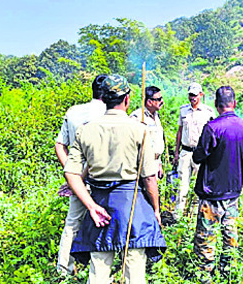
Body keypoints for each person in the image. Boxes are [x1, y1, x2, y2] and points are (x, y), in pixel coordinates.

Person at [64, 75, 166, 284]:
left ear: (103, 99)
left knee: (99, 266)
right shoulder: (140, 130)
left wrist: (90, 206)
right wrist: (155, 209)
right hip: (131, 205)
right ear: (127, 99)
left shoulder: (86, 129)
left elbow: (71, 172)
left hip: (100, 204)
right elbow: (149, 177)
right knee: (134, 269)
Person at [192, 86, 243, 283]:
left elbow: (198, 156)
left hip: (212, 192)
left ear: (217, 105)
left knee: (206, 236)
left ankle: (204, 276)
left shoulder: (212, 128)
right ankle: (228, 272)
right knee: (230, 234)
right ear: (234, 103)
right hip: (233, 191)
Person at [54, 74, 108, 276]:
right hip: (103, 177)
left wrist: (72, 174)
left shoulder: (74, 111)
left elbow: (60, 145)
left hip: (77, 177)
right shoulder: (111, 113)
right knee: (103, 220)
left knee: (72, 223)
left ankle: (63, 270)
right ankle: (98, 272)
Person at [172, 83, 217, 219]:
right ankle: (177, 216)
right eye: (190, 95)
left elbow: (213, 133)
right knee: (182, 184)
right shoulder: (183, 111)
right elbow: (180, 132)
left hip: (201, 153)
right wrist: (176, 152)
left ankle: (195, 214)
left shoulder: (208, 112)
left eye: (195, 95)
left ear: (201, 95)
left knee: (199, 184)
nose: (192, 98)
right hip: (185, 152)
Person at [130, 86, 165, 178]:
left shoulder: (156, 116)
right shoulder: (137, 117)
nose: (162, 102)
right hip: (144, 164)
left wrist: (159, 164)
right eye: (159, 99)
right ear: (149, 102)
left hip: (155, 162)